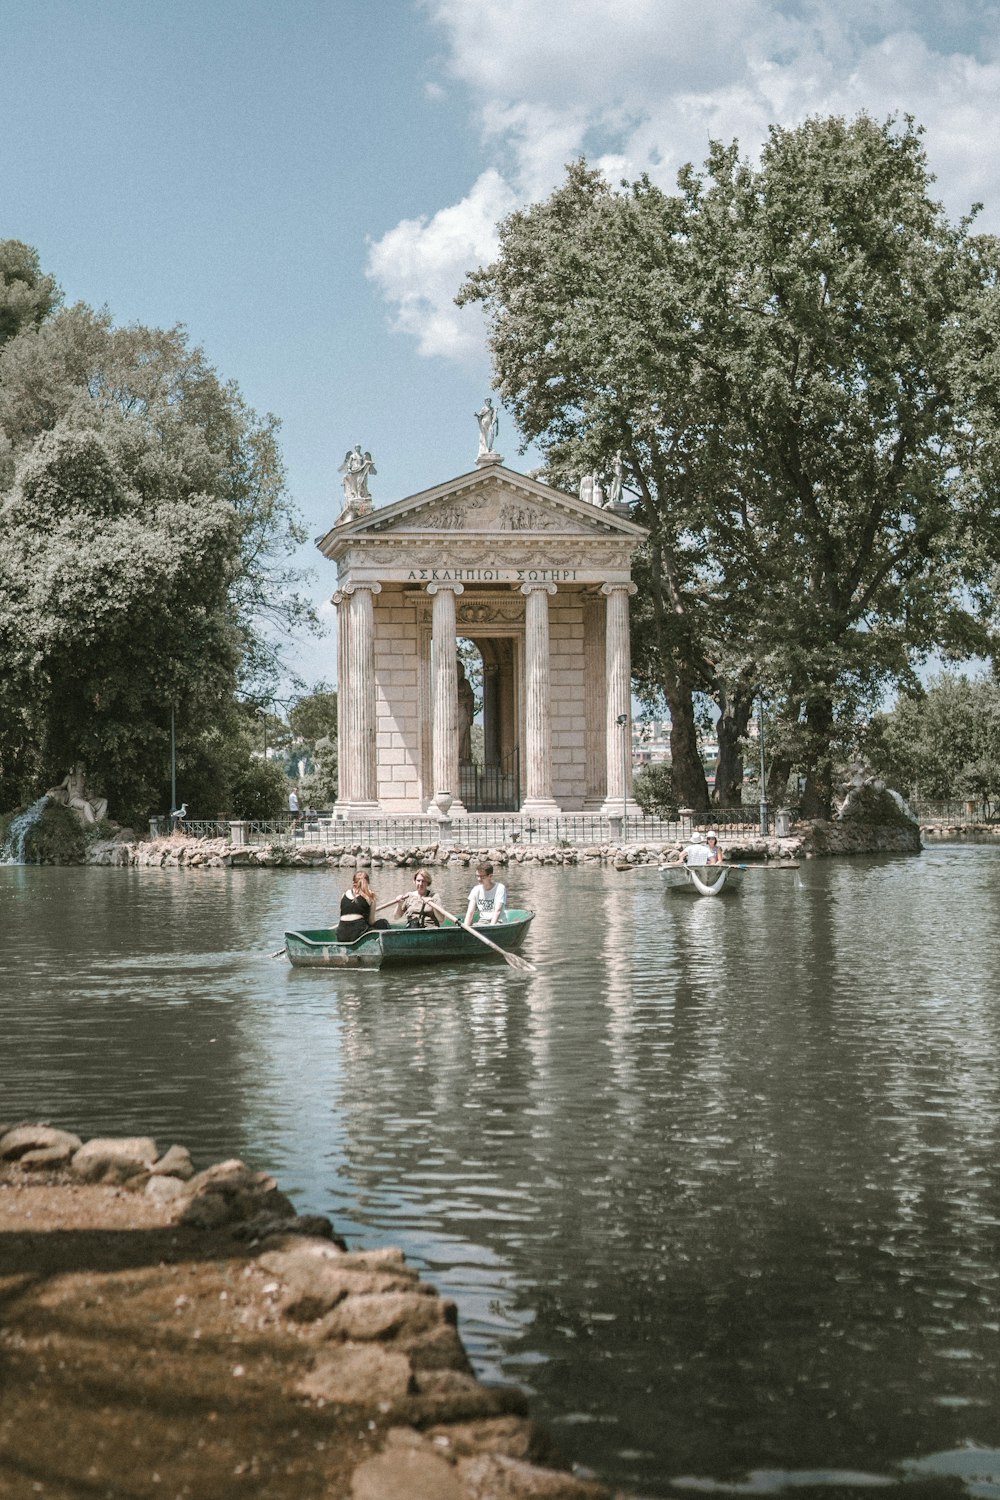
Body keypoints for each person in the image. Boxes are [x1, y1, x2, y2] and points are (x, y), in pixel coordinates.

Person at [336, 871, 390, 944]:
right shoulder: (370, 895)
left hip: (341, 934)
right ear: (368, 882)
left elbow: (343, 915)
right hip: (358, 934)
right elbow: (371, 921)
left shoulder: (344, 894)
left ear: (353, 882)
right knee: (383, 923)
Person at [464, 860, 507, 926]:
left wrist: (492, 928)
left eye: (482, 877)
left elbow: (497, 911)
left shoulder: (500, 888)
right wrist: (465, 927)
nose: (479, 879)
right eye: (477, 876)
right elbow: (470, 912)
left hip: (498, 922)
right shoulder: (476, 890)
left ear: (490, 876)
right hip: (482, 922)